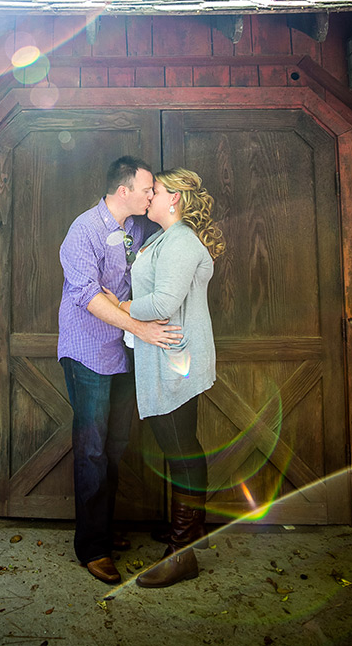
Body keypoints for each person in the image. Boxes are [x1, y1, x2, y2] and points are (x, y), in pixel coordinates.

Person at [58, 156, 182, 586]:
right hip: (87, 350)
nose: (152, 195)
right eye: (148, 188)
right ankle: (92, 548)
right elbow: (89, 297)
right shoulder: (83, 231)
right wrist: (140, 326)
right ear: (123, 190)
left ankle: (104, 531)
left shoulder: (141, 229)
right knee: (91, 448)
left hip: (126, 351)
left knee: (116, 445)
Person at [104, 167, 225, 588]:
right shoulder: (163, 239)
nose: (149, 196)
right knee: (180, 445)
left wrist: (119, 305)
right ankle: (191, 533)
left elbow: (165, 302)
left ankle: (182, 551)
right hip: (166, 356)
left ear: (174, 199)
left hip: (177, 360)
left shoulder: (181, 242)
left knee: (180, 448)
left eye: (156, 191)